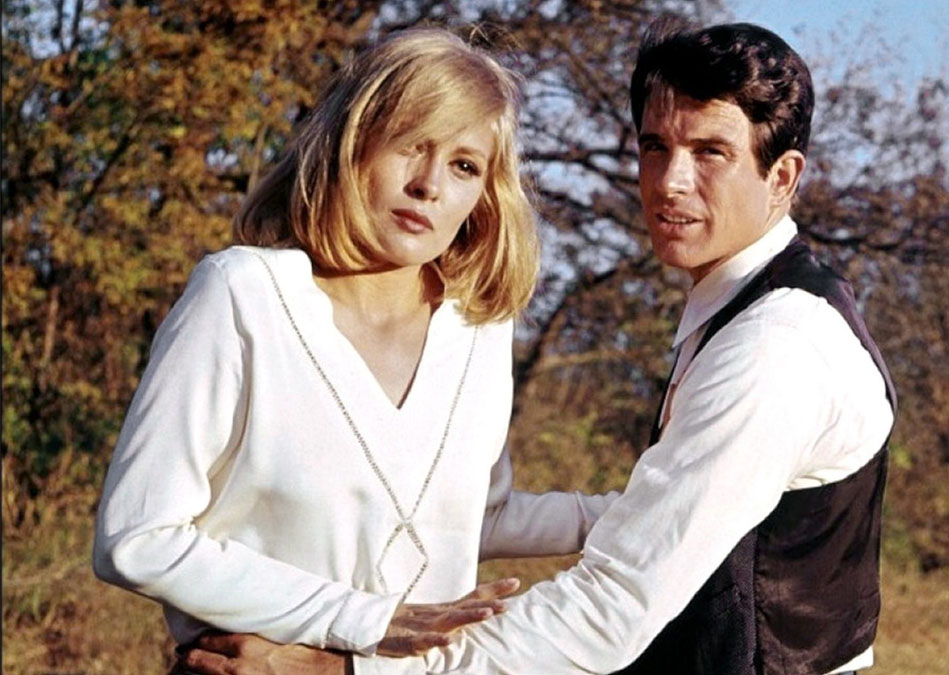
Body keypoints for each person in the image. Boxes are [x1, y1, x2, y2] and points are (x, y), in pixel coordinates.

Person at [181, 20, 895, 675]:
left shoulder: (777, 347)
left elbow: (612, 605)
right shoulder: (745, 307)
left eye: (711, 152)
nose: (670, 181)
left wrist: (342, 668)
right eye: (655, 147)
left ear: (783, 178)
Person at [92, 27, 616, 671]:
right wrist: (360, 619)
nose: (429, 184)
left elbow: (467, 520)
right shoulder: (242, 294)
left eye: (463, 165)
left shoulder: (479, 327)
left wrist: (635, 512)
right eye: (410, 145)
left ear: (483, 196)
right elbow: (137, 537)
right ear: (352, 144)